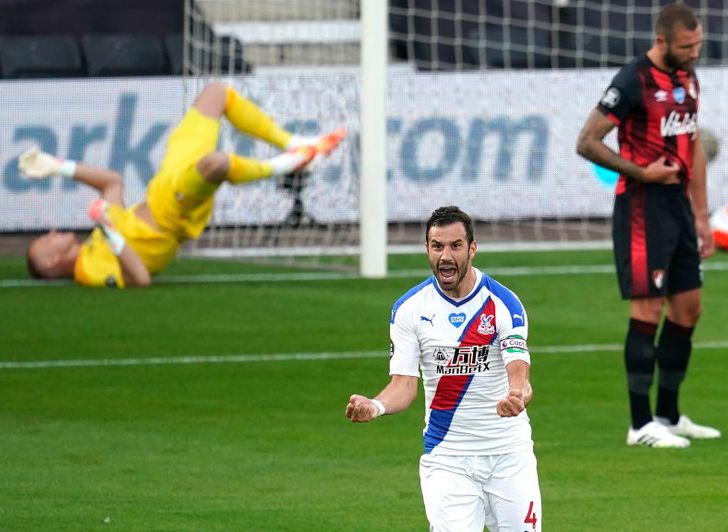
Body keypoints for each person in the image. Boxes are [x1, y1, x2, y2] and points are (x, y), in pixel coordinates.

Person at [19, 81, 345, 288]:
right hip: (171, 213)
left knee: (216, 93)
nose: (50, 233)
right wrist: (108, 228)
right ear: (51, 263)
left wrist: (59, 167)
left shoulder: (92, 242)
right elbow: (141, 279)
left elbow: (112, 183)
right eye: (45, 242)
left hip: (164, 182)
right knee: (216, 163)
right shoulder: (88, 271)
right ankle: (290, 163)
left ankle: (295, 144)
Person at [576, 3, 720, 448]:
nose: (693, 52)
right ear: (661, 42)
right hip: (641, 206)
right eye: (685, 46)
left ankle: (669, 415)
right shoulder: (632, 80)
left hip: (678, 206)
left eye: (698, 45)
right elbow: (587, 141)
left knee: (688, 308)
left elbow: (692, 147)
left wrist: (701, 215)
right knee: (648, 310)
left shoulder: (688, 78)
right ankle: (640, 426)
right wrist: (641, 172)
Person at [346, 206, 542, 531]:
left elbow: (520, 374)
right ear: (427, 249)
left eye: (455, 246)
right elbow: (404, 385)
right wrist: (376, 405)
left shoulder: (504, 304)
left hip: (509, 454)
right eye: (437, 246)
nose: (445, 256)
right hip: (447, 457)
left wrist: (518, 395)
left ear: (472, 249)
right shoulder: (410, 309)